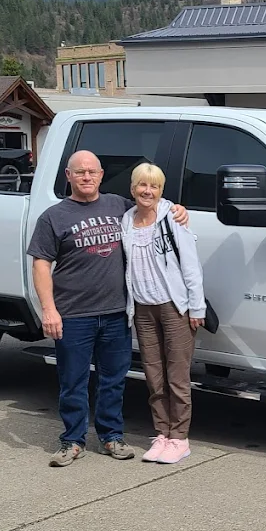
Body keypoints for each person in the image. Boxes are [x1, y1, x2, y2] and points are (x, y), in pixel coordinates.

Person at [27, 150, 189, 468]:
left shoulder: (119, 205)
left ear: (101, 175)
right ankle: (72, 441)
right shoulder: (53, 216)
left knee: (112, 380)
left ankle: (111, 437)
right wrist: (49, 309)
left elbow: (150, 205)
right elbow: (41, 264)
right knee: (72, 381)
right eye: (80, 172)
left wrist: (176, 209)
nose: (86, 177)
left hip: (117, 312)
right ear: (68, 176)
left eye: (92, 172)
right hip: (73, 314)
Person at [121, 163, 205, 465]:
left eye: (154, 186)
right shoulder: (126, 221)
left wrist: (197, 307)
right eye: (142, 185)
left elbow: (191, 266)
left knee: (177, 377)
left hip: (174, 307)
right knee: (154, 376)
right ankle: (162, 434)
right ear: (132, 189)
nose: (147, 191)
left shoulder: (172, 218)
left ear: (161, 190)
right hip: (143, 308)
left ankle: (180, 439)